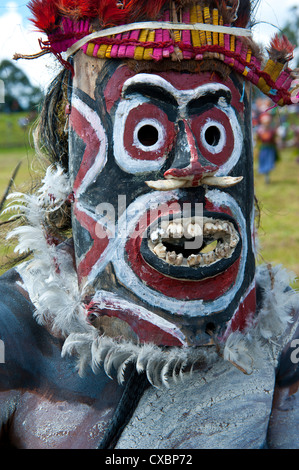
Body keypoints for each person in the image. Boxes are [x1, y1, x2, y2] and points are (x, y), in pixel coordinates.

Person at [0, 0, 299, 449]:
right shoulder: (18, 328)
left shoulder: (281, 329)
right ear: (79, 140)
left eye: (214, 133)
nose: (192, 166)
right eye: (146, 134)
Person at [256, 112, 278, 184]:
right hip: (263, 149)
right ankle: (265, 176)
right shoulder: (260, 131)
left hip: (270, 149)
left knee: (269, 163)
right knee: (264, 162)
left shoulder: (271, 131)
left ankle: (267, 177)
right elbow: (258, 140)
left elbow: (274, 140)